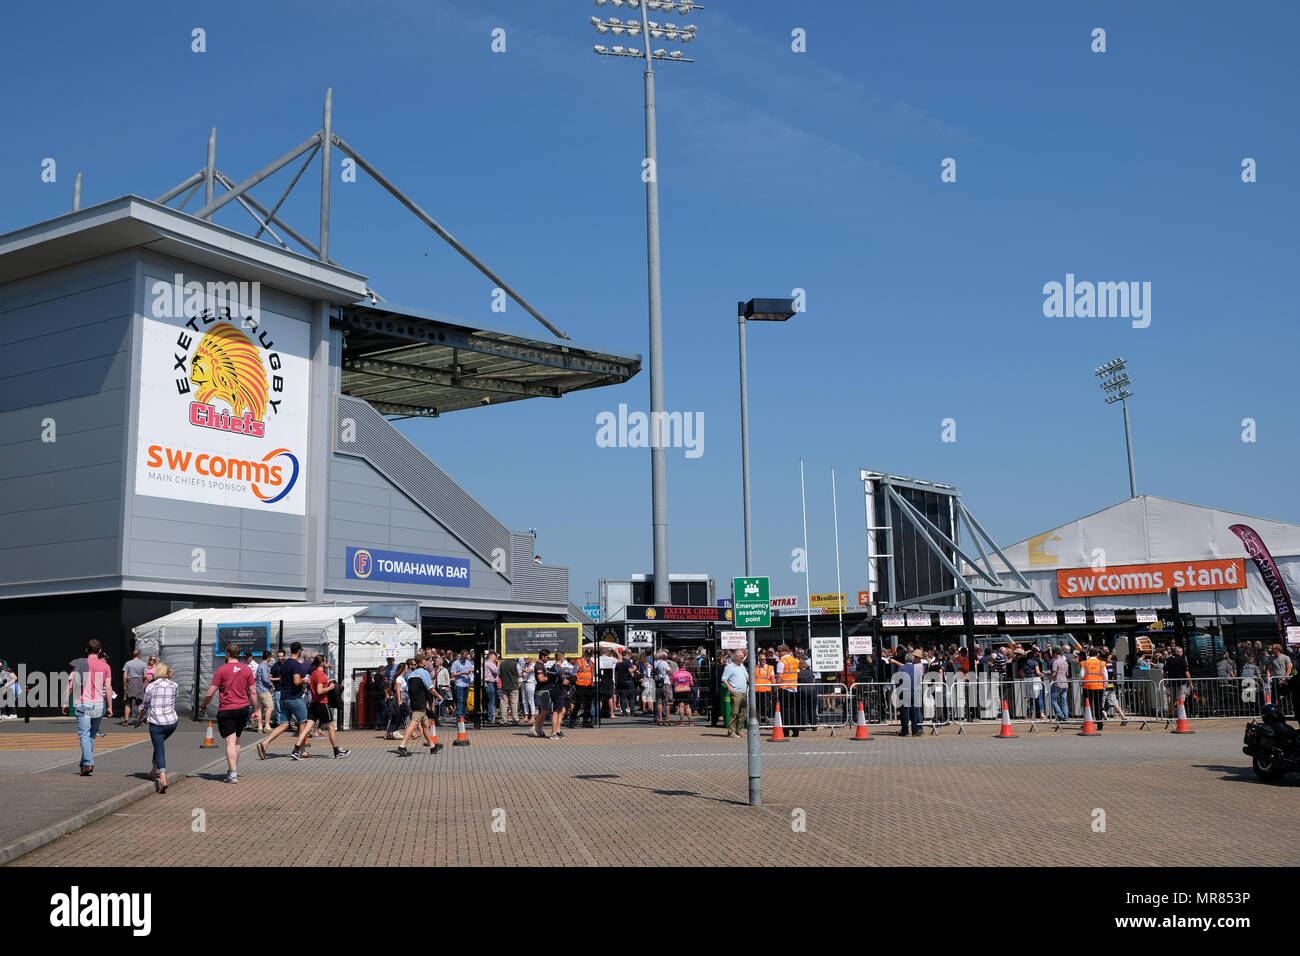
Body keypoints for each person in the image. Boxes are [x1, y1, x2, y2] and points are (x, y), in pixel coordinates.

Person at [201, 643, 258, 783]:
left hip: (227, 708)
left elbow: (210, 692)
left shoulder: (221, 670)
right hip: (243, 708)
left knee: (230, 741)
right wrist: (256, 710)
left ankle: (232, 773)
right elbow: (253, 692)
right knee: (237, 740)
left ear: (227, 654)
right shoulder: (247, 670)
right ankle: (234, 769)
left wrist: (203, 706)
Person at [64, 639, 113, 775]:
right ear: (100, 651)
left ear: (86, 650)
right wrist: (110, 707)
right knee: (91, 735)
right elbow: (108, 688)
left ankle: (88, 763)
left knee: (84, 735)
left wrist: (66, 703)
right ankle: (84, 765)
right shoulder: (106, 667)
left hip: (84, 704)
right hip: (99, 704)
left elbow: (72, 685)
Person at [256, 642, 311, 760]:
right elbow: (296, 681)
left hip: (283, 697)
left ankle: (265, 743)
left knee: (284, 725)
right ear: (300, 651)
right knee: (303, 722)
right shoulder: (296, 665)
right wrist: (304, 681)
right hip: (294, 698)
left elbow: (281, 679)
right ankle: (300, 751)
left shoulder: (284, 664)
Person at [140, 661, 178, 794]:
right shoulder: (174, 685)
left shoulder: (151, 687)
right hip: (172, 722)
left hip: (157, 723)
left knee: (159, 747)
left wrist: (141, 716)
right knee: (159, 744)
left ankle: (162, 778)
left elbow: (144, 706)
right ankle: (153, 770)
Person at [396, 655, 441, 756]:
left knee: (425, 725)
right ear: (422, 661)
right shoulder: (423, 672)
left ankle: (432, 746)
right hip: (420, 702)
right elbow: (430, 687)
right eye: (425, 659)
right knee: (413, 723)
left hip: (413, 701)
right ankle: (402, 746)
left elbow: (408, 689)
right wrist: (438, 696)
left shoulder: (411, 674)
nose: (426, 661)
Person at [531, 650, 564, 740]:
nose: (549, 659)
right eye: (547, 657)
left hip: (543, 690)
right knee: (545, 710)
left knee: (545, 710)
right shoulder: (538, 665)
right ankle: (536, 727)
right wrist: (551, 677)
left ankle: (538, 728)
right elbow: (541, 678)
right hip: (541, 690)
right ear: (542, 656)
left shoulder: (541, 665)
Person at [721, 650, 749, 738]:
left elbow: (747, 677)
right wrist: (729, 687)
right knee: (735, 712)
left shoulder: (742, 666)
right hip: (736, 692)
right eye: (741, 657)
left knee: (742, 713)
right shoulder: (729, 667)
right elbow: (724, 679)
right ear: (736, 657)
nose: (742, 658)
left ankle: (739, 730)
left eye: (742, 657)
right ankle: (731, 731)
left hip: (744, 692)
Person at [897, 652, 924, 737]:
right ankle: (915, 731)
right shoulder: (916, 668)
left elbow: (898, 679)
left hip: (905, 690)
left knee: (904, 711)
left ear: (905, 660)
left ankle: (905, 731)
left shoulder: (902, 668)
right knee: (914, 711)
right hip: (914, 690)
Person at [1080, 647, 1106, 730]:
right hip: (1099, 687)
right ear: (1097, 654)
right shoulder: (1102, 663)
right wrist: (1104, 685)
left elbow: (1081, 675)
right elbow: (1106, 676)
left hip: (1087, 686)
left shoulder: (1084, 663)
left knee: (1087, 706)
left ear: (1088, 654)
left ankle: (1088, 722)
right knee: (1098, 706)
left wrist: (1081, 682)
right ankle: (1100, 724)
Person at [571, 649, 597, 729]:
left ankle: (585, 721)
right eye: (587, 654)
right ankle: (572, 721)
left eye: (590, 654)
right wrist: (577, 683)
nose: (588, 656)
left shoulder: (592, 663)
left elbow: (592, 673)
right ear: (584, 654)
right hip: (580, 685)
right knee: (578, 704)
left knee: (588, 704)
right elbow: (574, 674)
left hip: (589, 685)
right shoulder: (579, 662)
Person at [121, 649, 148, 728]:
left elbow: (125, 675)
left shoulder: (128, 663)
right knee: (139, 703)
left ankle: (126, 721)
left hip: (130, 682)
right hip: (139, 682)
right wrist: (141, 681)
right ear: (139, 655)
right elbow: (145, 676)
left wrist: (125, 685)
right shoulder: (143, 664)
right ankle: (140, 721)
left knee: (128, 703)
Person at [1163, 644, 1192, 716]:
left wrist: (1164, 681)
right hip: (1181, 683)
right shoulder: (1181, 660)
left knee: (1172, 700)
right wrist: (1190, 683)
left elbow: (1164, 672)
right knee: (1181, 699)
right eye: (1181, 652)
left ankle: (1170, 716)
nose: (1182, 653)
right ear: (1178, 652)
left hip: (1171, 683)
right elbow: (1186, 672)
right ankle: (1181, 716)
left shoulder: (1167, 660)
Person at [253, 651, 275, 733]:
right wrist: (271, 685)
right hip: (264, 689)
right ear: (268, 657)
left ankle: (259, 727)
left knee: (260, 708)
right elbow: (266, 679)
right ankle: (267, 726)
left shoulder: (259, 666)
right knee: (270, 707)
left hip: (258, 689)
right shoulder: (265, 666)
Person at [671, 657, 695, 726]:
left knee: (681, 706)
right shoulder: (688, 674)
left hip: (678, 690)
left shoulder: (675, 674)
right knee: (687, 706)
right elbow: (691, 683)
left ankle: (681, 721)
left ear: (678, 666)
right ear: (684, 665)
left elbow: (672, 682)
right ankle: (690, 721)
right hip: (686, 690)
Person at [451, 650, 474, 721]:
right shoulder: (456, 663)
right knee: (460, 700)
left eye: (466, 655)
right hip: (459, 684)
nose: (465, 656)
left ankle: (463, 716)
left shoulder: (468, 662)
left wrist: (471, 671)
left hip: (467, 683)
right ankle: (459, 717)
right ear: (460, 655)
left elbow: (471, 670)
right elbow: (452, 674)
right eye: (463, 655)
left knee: (465, 701)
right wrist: (462, 673)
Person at [1049, 646, 1070, 721]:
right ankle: (1066, 716)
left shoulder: (1056, 662)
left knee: (1053, 700)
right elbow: (1067, 674)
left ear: (1055, 654)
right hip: (1065, 683)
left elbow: (1054, 673)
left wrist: (1048, 676)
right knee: (1064, 701)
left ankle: (1059, 714)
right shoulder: (1065, 662)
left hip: (1057, 682)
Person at [498, 653, 520, 724]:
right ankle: (515, 718)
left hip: (504, 685)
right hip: (514, 685)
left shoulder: (501, 664)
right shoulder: (516, 664)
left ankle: (503, 719)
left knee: (504, 703)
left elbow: (499, 674)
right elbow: (519, 674)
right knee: (514, 702)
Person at [653, 651, 674, 725]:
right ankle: (667, 718)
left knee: (659, 701)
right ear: (664, 657)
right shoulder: (664, 663)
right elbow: (670, 672)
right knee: (668, 701)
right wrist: (671, 668)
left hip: (658, 684)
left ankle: (660, 718)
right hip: (666, 683)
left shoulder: (655, 663)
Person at [484, 651, 501, 725]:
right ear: (491, 656)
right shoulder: (489, 663)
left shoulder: (486, 663)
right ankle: (490, 718)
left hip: (490, 683)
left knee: (491, 700)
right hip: (490, 683)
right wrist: (498, 664)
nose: (496, 658)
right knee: (492, 701)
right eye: (495, 656)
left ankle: (491, 717)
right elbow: (496, 671)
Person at [519, 656, 536, 723]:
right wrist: (521, 673)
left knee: (530, 700)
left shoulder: (533, 665)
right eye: (524, 658)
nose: (525, 659)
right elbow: (521, 674)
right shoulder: (525, 665)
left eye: (527, 658)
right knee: (524, 700)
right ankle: (526, 716)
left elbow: (528, 671)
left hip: (530, 683)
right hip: (524, 683)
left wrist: (520, 668)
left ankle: (533, 716)